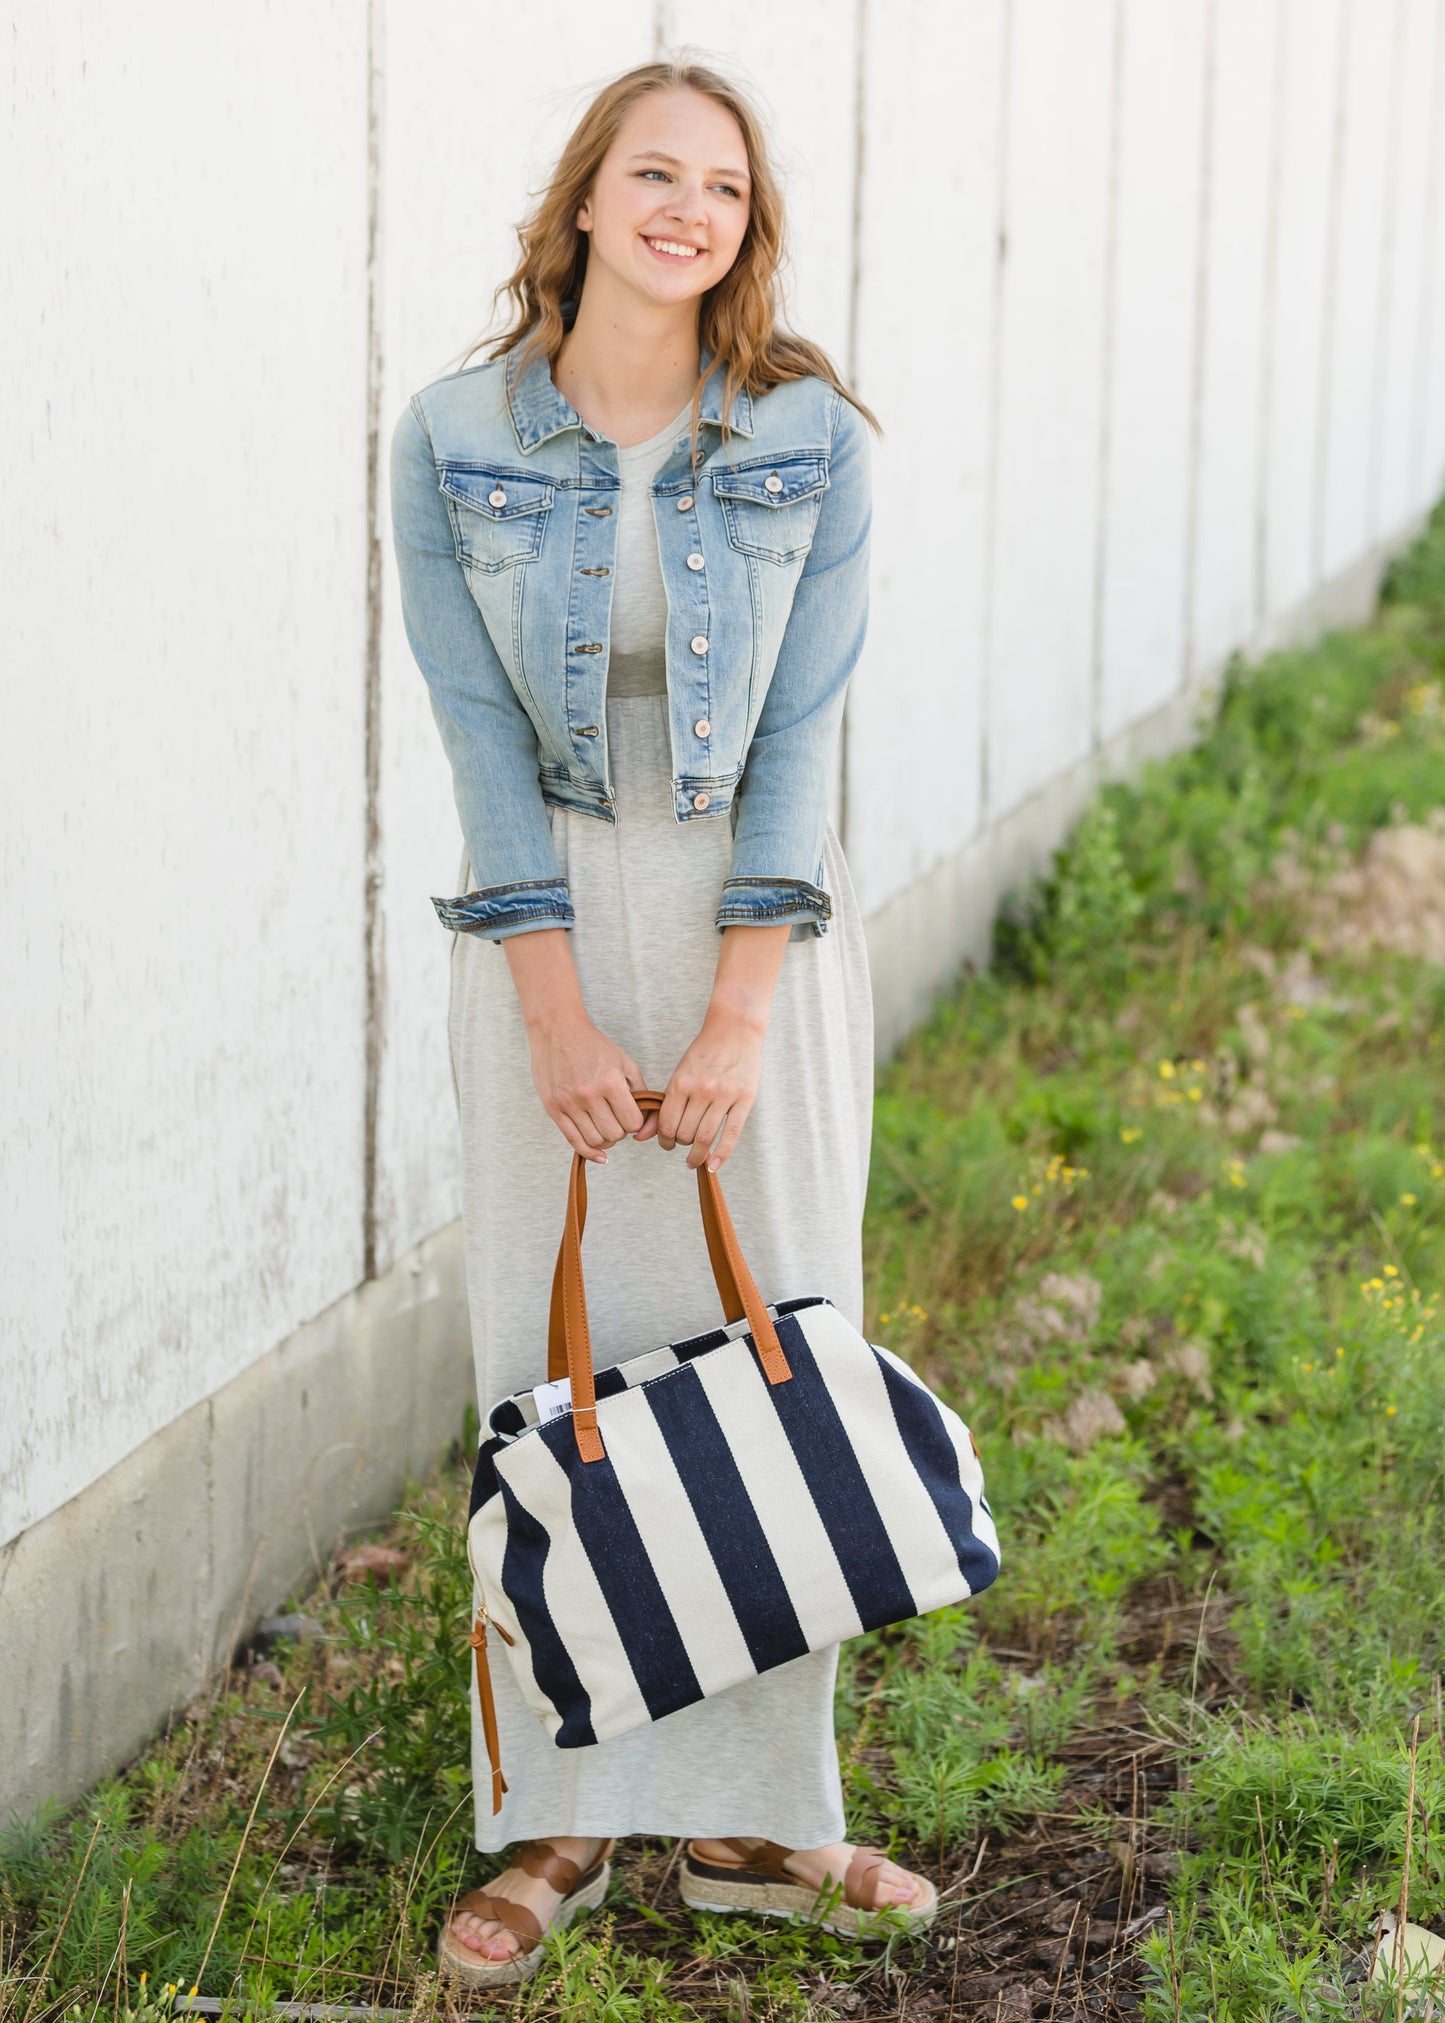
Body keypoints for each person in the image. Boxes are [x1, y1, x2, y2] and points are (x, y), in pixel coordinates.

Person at [389, 55, 938, 1991]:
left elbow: (802, 733)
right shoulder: (454, 435)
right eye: (654, 171)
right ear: (589, 196)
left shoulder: (808, 439)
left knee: (773, 1327)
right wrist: (549, 1006)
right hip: (539, 913)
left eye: (722, 183)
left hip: (754, 918)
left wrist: (734, 1010)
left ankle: (761, 1819)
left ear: (744, 228)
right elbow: (473, 741)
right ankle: (559, 1808)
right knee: (558, 1363)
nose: (686, 207)